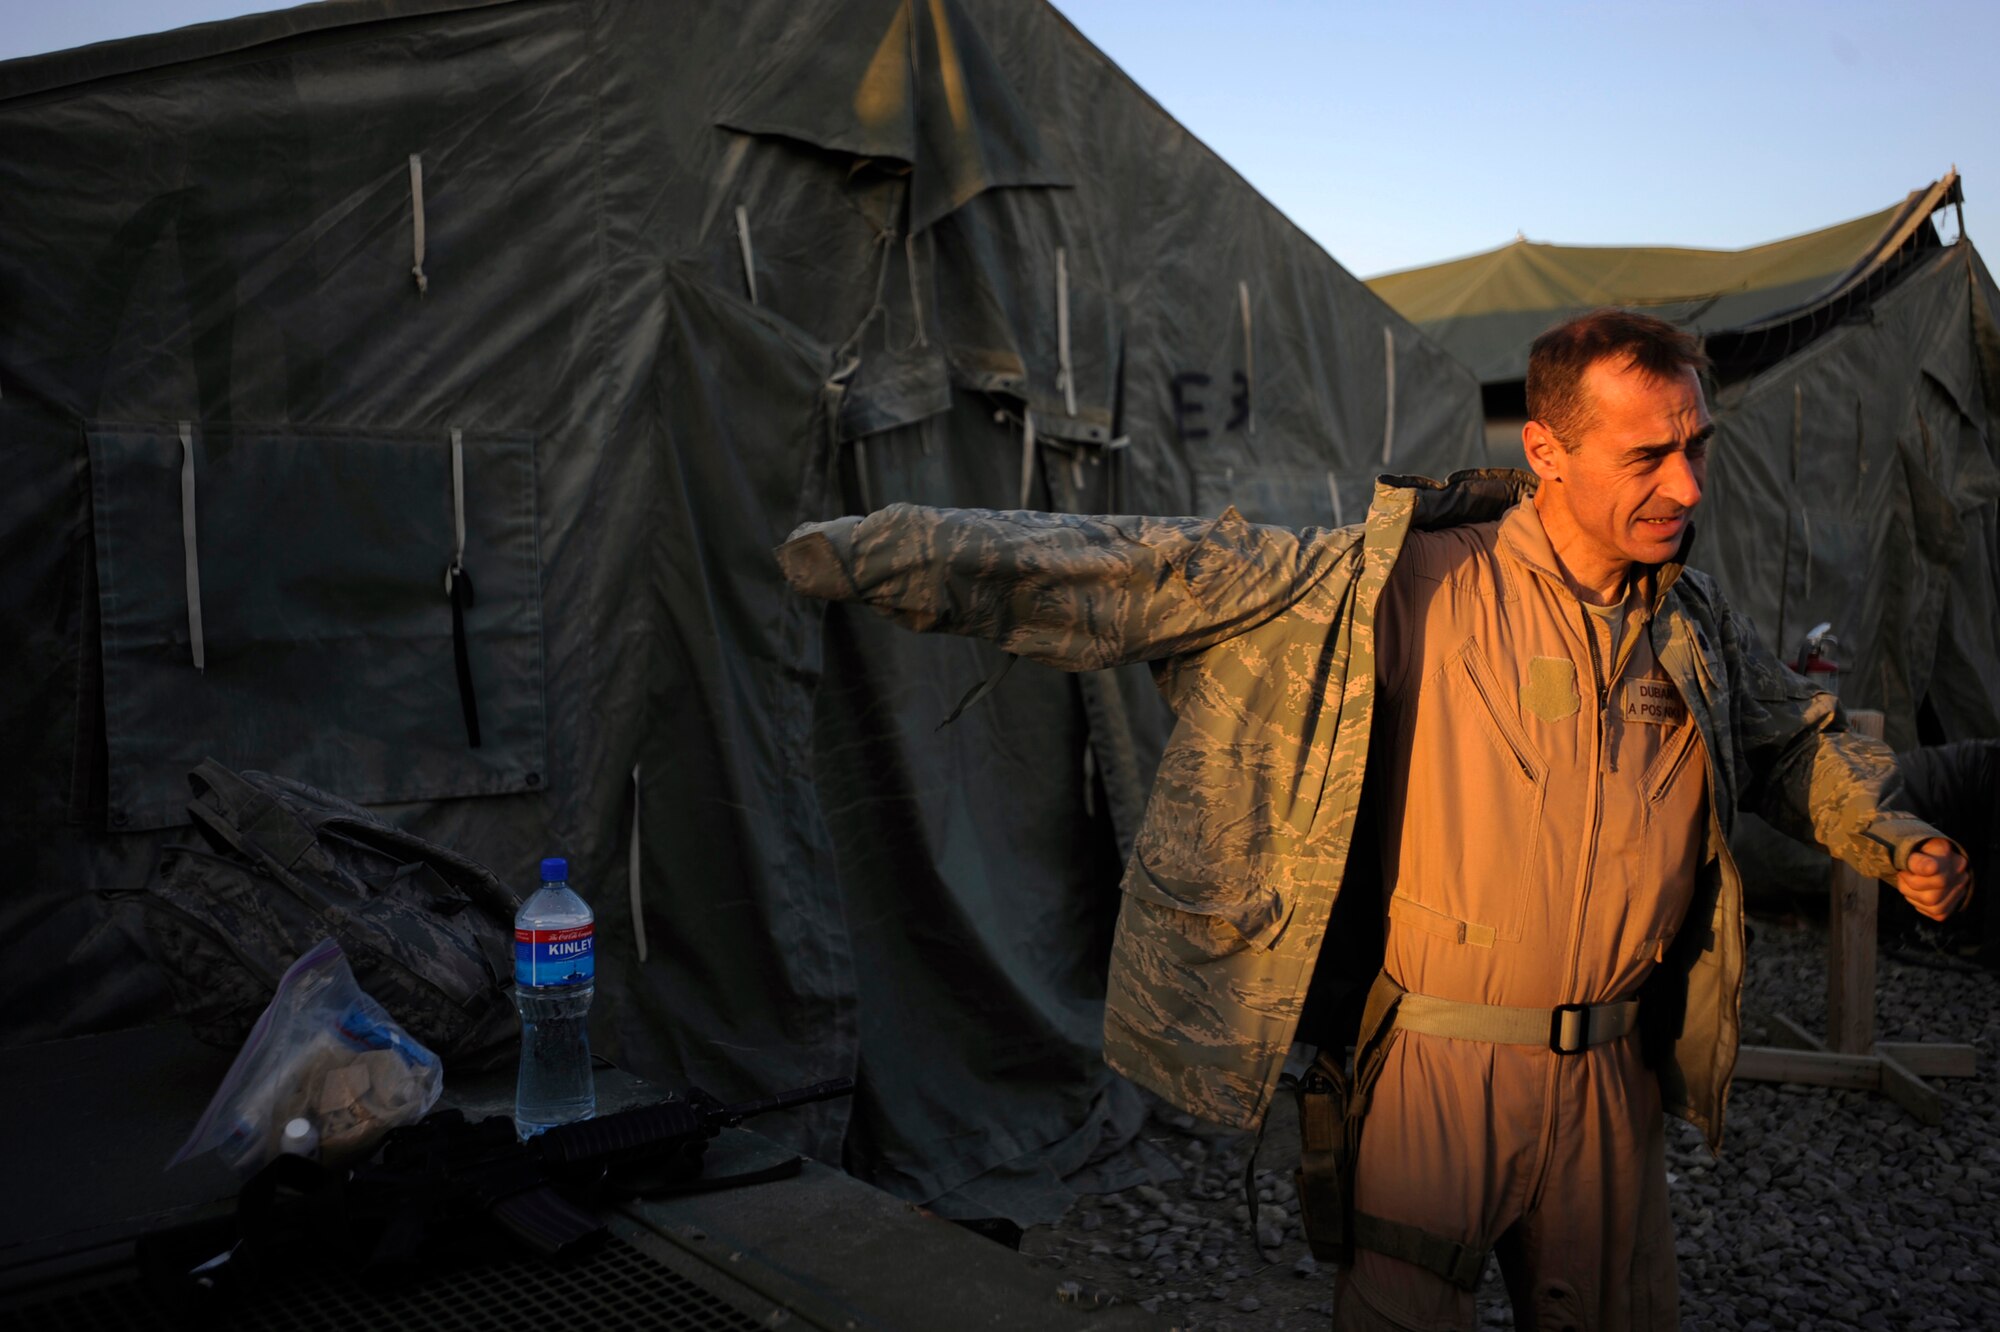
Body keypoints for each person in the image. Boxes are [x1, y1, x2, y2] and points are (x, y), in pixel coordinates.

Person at [774, 309, 1971, 1330]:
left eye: (1695, 447)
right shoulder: (1406, 588)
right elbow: (1131, 570)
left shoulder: (1688, 619)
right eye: (1648, 454)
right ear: (1544, 449)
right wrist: (888, 555)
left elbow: (1781, 743)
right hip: (1438, 1073)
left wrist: (1890, 836)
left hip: (1615, 1076)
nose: (1687, 486)